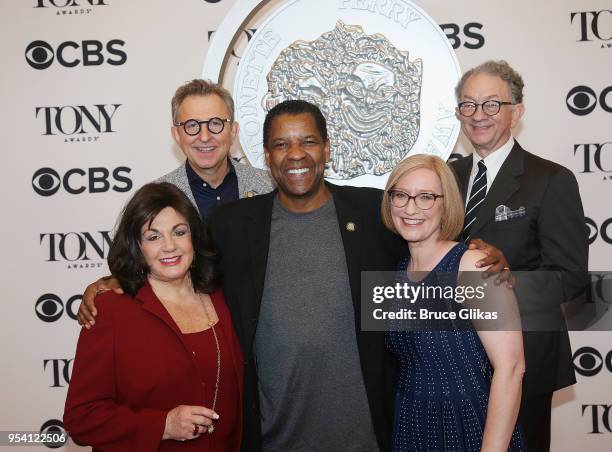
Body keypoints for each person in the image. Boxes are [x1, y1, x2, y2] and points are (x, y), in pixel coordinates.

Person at [78, 100, 509, 452]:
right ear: (266, 156)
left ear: (327, 147)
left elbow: (430, 246)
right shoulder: (234, 224)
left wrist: (478, 249)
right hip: (271, 437)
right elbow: (179, 261)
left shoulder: (374, 213)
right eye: (281, 144)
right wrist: (112, 282)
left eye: (307, 141)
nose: (296, 154)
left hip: (371, 436)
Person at [451, 60, 589, 451]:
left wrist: (505, 277)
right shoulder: (443, 177)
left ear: (517, 112)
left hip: (522, 361)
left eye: (492, 104)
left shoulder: (551, 180)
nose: (478, 116)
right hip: (449, 360)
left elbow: (571, 278)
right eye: (468, 105)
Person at [64, 182, 243, 452]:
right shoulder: (111, 311)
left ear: (194, 236)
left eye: (179, 232)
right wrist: (163, 425)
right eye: (153, 237)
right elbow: (81, 418)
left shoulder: (223, 297)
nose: (169, 246)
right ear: (137, 246)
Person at [381, 154, 525, 451]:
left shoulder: (473, 266)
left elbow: (511, 368)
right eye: (401, 195)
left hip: (470, 424)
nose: (411, 208)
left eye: (426, 197)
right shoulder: (396, 272)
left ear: (446, 204)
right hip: (410, 426)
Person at [158, 79, 274, 218]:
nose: (205, 137)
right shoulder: (155, 198)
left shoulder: (271, 187)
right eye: (192, 125)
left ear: (233, 131)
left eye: (215, 123)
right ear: (176, 135)